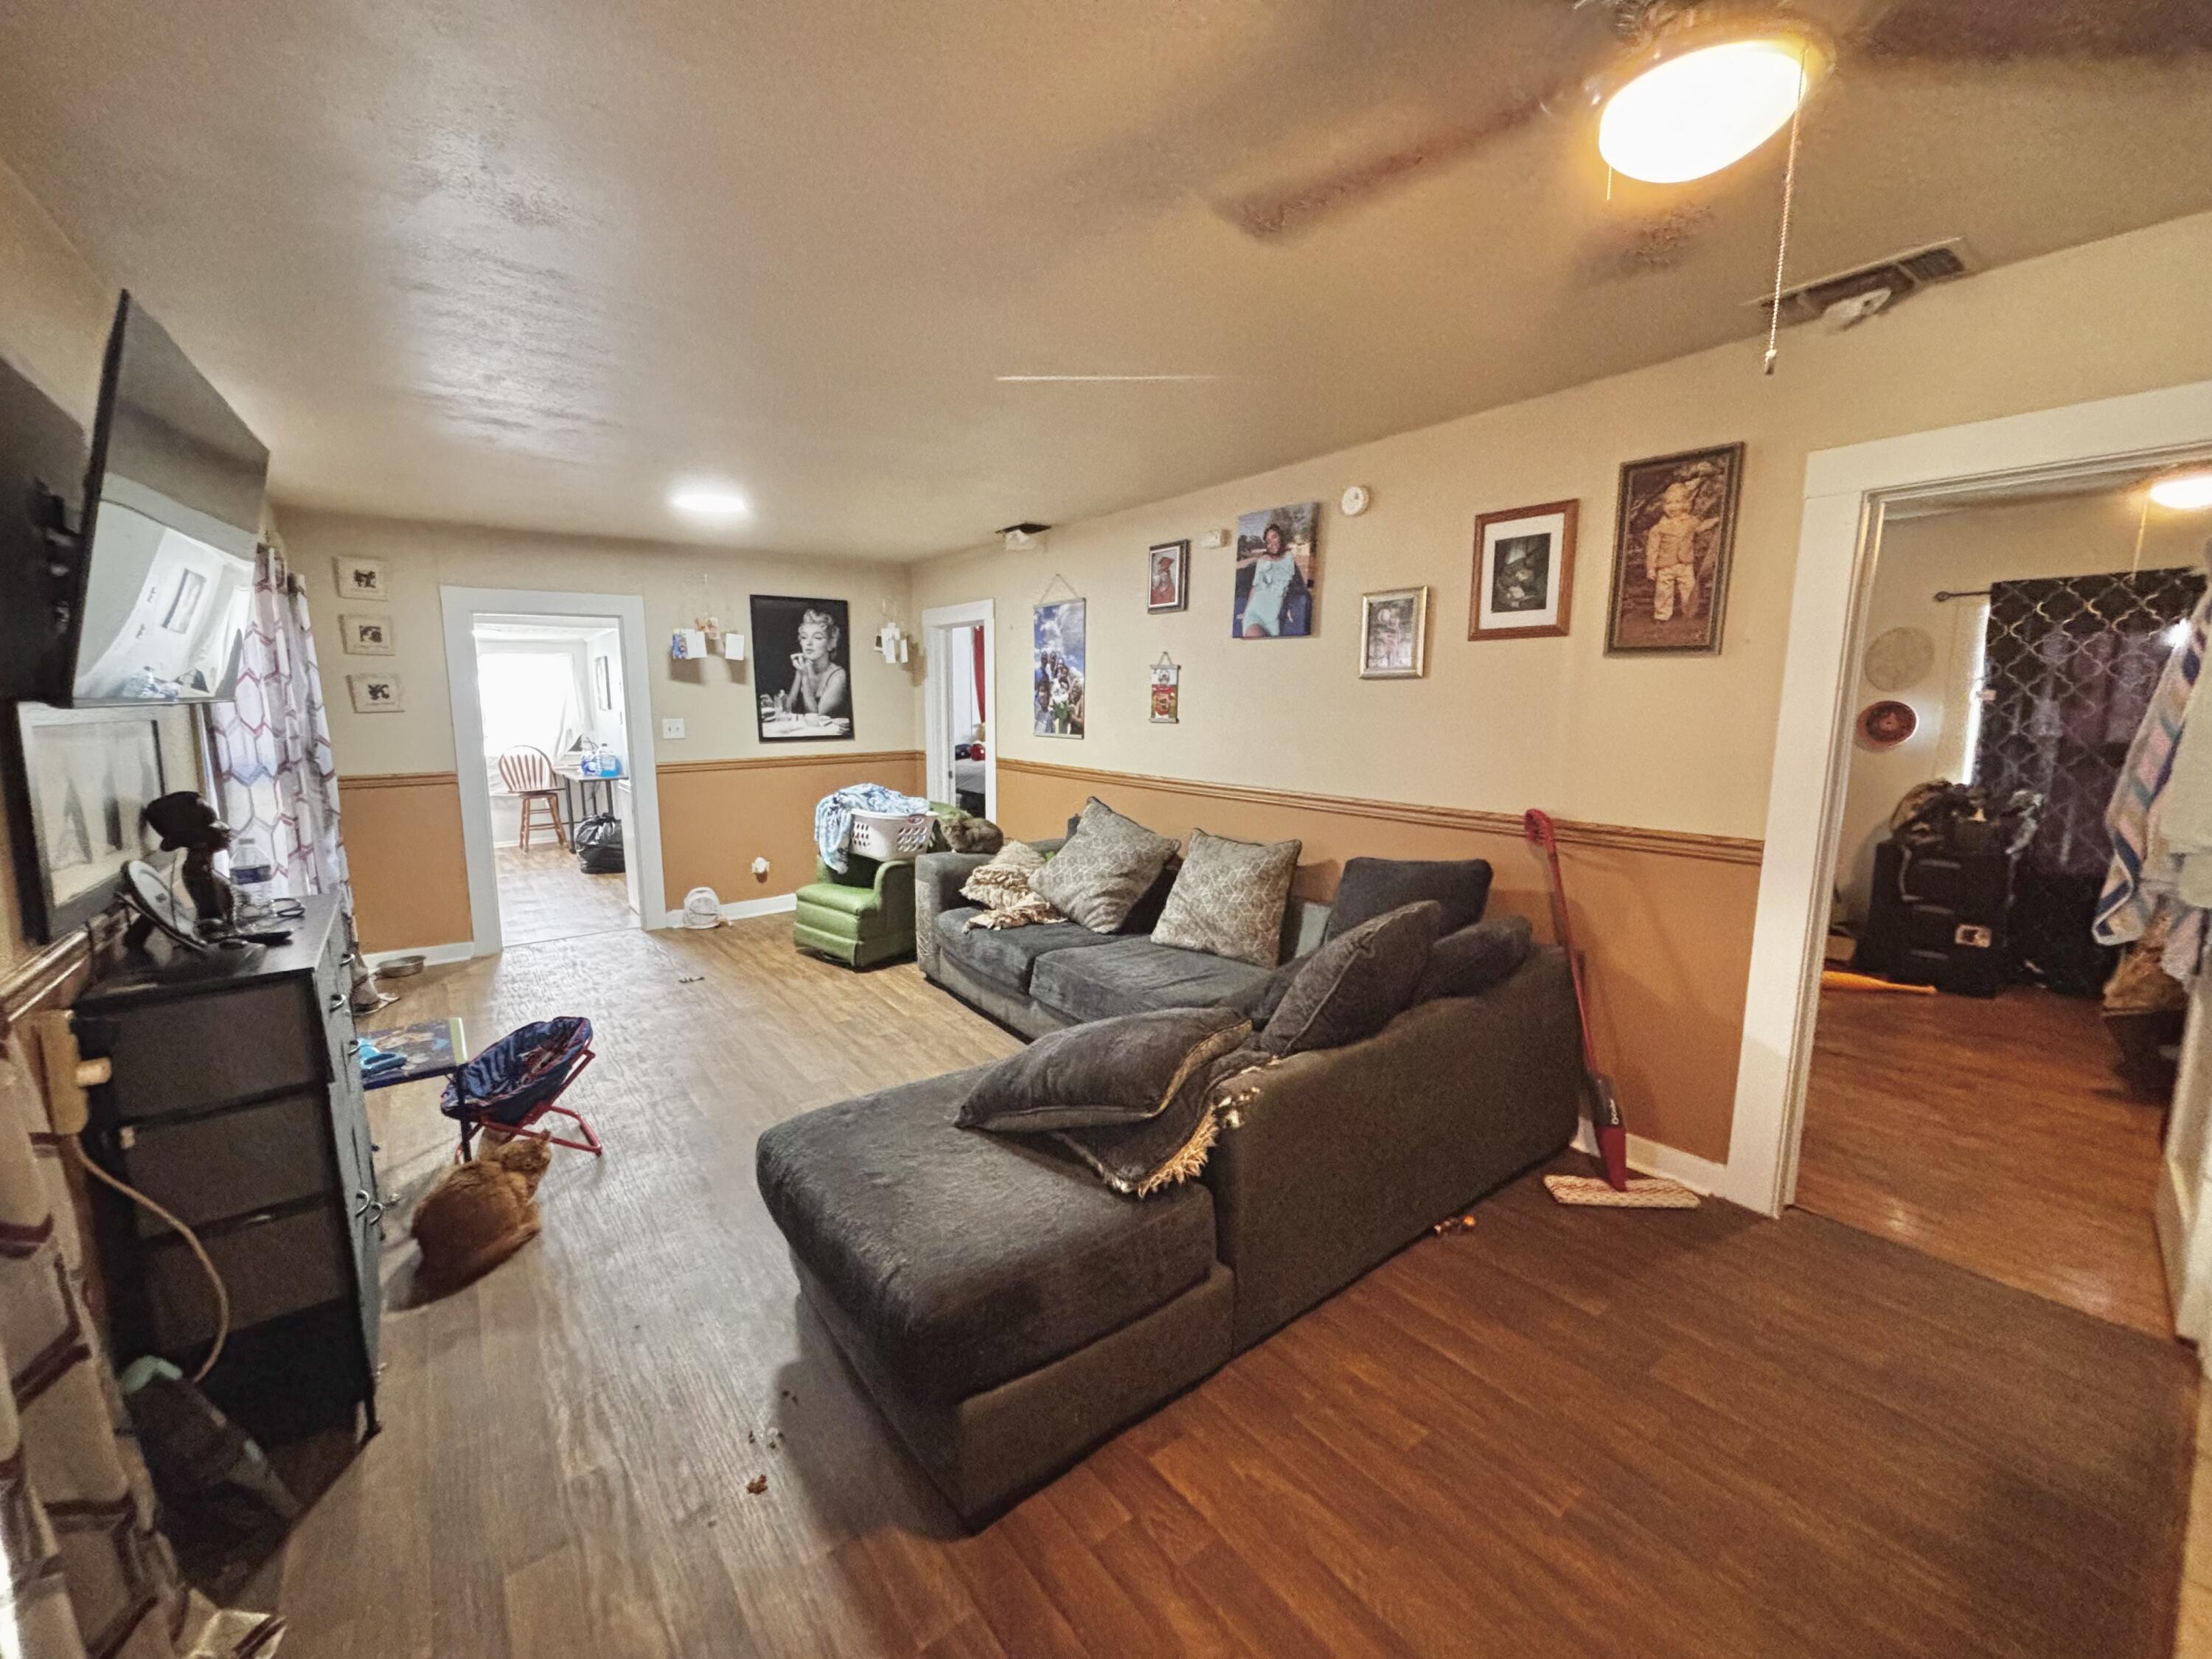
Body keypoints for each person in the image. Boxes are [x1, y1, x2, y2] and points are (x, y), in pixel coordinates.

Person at [1644, 480, 1720, 625]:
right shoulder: (1659, 528)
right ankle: (1662, 616)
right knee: (1663, 591)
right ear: (1664, 506)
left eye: (1677, 502)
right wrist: (1651, 569)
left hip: (1685, 564)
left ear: (1685, 504)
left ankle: (1690, 613)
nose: (1673, 507)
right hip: (1665, 565)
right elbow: (1652, 550)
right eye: (1669, 503)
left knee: (1689, 589)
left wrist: (1715, 521)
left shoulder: (1690, 522)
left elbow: (1701, 527)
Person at [774, 608, 849, 719]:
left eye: (817, 638)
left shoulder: (838, 676)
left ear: (831, 643)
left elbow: (816, 717)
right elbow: (789, 708)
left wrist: (804, 676)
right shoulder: (804, 665)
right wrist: (779, 702)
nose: (808, 643)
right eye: (804, 637)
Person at [1237, 521, 1304, 638]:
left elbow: (1293, 586)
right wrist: (1246, 611)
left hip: (1273, 619)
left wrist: (1289, 607)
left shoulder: (1289, 558)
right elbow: (1255, 587)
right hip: (1255, 614)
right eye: (1268, 541)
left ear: (1281, 537)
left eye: (1274, 537)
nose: (1271, 543)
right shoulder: (1263, 560)